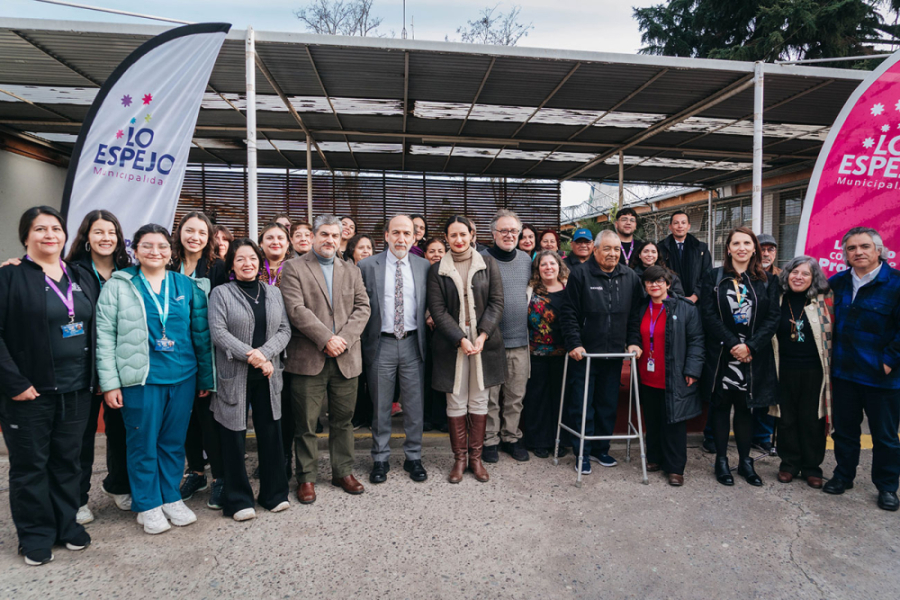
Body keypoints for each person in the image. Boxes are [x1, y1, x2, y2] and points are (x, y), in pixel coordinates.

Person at [96, 224, 214, 535]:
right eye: (147, 246)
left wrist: (204, 376)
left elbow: (199, 335)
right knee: (142, 443)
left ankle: (170, 496)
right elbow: (105, 337)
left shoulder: (185, 286)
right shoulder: (120, 285)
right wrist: (109, 383)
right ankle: (147, 503)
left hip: (183, 376)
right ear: (134, 250)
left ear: (171, 251)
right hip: (140, 379)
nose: (155, 252)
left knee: (173, 443)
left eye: (162, 246)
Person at [0, 206, 99, 565]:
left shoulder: (78, 274)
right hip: (30, 391)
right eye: (39, 229)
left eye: (55, 228)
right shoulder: (9, 277)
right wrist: (14, 381)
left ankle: (66, 525)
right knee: (30, 466)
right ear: (25, 236)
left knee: (68, 462)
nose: (49, 235)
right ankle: (35, 535)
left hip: (76, 389)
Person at [279, 215, 371, 504]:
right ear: (313, 236)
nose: (330, 240)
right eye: (324, 234)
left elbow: (363, 307)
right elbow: (295, 309)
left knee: (343, 421)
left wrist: (342, 339)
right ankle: (306, 477)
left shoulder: (351, 270)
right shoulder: (293, 267)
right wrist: (326, 339)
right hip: (309, 358)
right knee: (305, 424)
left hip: (346, 358)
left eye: (335, 235)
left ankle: (342, 471)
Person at [208, 239, 292, 521]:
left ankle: (274, 494)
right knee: (233, 437)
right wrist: (252, 356)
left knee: (271, 435)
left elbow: (284, 330)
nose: (248, 263)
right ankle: (238, 500)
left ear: (260, 262)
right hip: (236, 374)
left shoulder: (273, 293)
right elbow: (218, 333)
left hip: (268, 375)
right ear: (231, 264)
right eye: (241, 259)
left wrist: (265, 355)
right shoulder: (221, 293)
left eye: (253, 258)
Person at [824, 227, 900, 511]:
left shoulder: (895, 284)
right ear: (845, 254)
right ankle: (844, 475)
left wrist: (889, 361)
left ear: (878, 250)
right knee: (844, 431)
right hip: (844, 373)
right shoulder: (838, 283)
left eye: (864, 247)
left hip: (882, 378)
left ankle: (887, 487)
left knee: (885, 436)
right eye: (852, 248)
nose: (858, 252)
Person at [65, 210, 133, 524]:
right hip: (84, 367)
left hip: (124, 365)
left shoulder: (130, 271)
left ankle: (118, 485)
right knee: (82, 435)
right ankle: (77, 499)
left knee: (121, 432)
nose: (106, 238)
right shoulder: (70, 271)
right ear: (87, 238)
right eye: (98, 232)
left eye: (111, 232)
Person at [699, 226, 780, 487]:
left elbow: (773, 318)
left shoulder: (767, 280)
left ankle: (746, 462)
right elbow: (708, 315)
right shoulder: (714, 277)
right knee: (721, 408)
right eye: (737, 243)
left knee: (746, 410)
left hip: (753, 356)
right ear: (729, 248)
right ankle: (722, 461)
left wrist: (751, 347)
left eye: (747, 243)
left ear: (754, 247)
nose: (742, 248)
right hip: (724, 354)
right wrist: (734, 344)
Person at [428, 216, 505, 483]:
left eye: (463, 234)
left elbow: (497, 303)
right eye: (453, 236)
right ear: (446, 238)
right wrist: (461, 338)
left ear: (472, 235)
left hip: (485, 341)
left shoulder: (488, 263)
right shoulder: (437, 269)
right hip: (452, 344)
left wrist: (483, 334)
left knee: (479, 400)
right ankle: (459, 460)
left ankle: (476, 459)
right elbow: (437, 311)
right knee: (456, 400)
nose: (459, 240)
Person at [559, 230, 643, 475]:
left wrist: (633, 341)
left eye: (616, 249)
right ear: (595, 250)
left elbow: (636, 315)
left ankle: (600, 449)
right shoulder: (580, 275)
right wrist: (574, 343)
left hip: (615, 354)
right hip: (585, 354)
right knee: (582, 404)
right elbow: (569, 312)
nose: (612, 254)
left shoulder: (630, 277)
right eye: (607, 248)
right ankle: (582, 452)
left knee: (607, 403)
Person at [359, 215, 431, 483]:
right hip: (381, 344)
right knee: (380, 406)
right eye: (396, 233)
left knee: (414, 406)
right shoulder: (367, 265)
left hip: (413, 343)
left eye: (407, 233)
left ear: (414, 237)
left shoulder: (424, 266)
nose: (402, 238)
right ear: (386, 235)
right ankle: (380, 458)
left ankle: (414, 457)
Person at [170, 211, 226, 510]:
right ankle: (196, 472)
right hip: (172, 354)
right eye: (189, 230)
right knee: (185, 419)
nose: (195, 237)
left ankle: (220, 478)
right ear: (179, 232)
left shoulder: (216, 268)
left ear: (209, 238)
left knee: (208, 418)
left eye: (202, 233)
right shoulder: (167, 264)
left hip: (205, 353)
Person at [636, 266, 704, 486]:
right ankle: (654, 458)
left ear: (668, 283)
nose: (654, 285)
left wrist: (693, 369)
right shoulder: (640, 308)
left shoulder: (685, 308)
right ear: (645, 285)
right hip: (647, 374)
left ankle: (675, 467)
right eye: (650, 282)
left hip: (674, 374)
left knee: (674, 421)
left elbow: (696, 340)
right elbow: (633, 334)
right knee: (653, 419)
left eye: (659, 281)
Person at [770, 256, 833, 489]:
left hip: (814, 371)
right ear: (787, 274)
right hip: (784, 368)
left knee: (812, 419)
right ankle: (788, 464)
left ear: (813, 278)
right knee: (786, 418)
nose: (799, 277)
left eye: (805, 274)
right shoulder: (778, 299)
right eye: (795, 272)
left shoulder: (823, 301)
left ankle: (811, 467)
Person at [481, 210, 533, 462]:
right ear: (493, 234)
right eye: (504, 230)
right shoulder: (480, 259)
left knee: (515, 396)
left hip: (519, 342)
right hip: (489, 342)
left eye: (514, 230)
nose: (509, 235)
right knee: (490, 396)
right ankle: (489, 440)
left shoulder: (526, 260)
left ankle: (511, 437)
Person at [521, 251, 569, 458]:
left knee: (561, 398)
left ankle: (560, 440)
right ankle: (538, 441)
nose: (548, 267)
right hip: (535, 353)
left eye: (552, 263)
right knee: (537, 398)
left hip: (565, 354)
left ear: (559, 266)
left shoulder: (569, 288)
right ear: (537, 268)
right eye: (543, 264)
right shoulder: (531, 290)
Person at [748, 232, 781, 453]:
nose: (766, 253)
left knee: (766, 390)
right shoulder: (744, 275)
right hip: (742, 340)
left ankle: (762, 436)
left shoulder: (782, 277)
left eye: (771, 249)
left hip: (771, 341)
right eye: (763, 249)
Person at [656, 211, 711, 304]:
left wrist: (695, 296)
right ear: (670, 227)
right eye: (676, 223)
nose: (680, 226)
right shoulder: (661, 248)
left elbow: (707, 274)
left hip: (696, 302)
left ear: (688, 226)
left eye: (683, 223)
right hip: (670, 301)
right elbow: (659, 275)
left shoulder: (701, 248)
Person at [422, 238, 448, 432]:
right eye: (432, 251)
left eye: (440, 250)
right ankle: (426, 417)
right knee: (425, 375)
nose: (436, 254)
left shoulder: (448, 273)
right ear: (425, 254)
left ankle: (441, 418)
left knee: (442, 374)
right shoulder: (420, 272)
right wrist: (427, 314)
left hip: (444, 331)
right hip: (422, 332)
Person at [258, 222, 291, 287]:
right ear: (261, 243)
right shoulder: (254, 268)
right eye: (270, 238)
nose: (275, 242)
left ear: (287, 243)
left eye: (280, 238)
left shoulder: (295, 267)